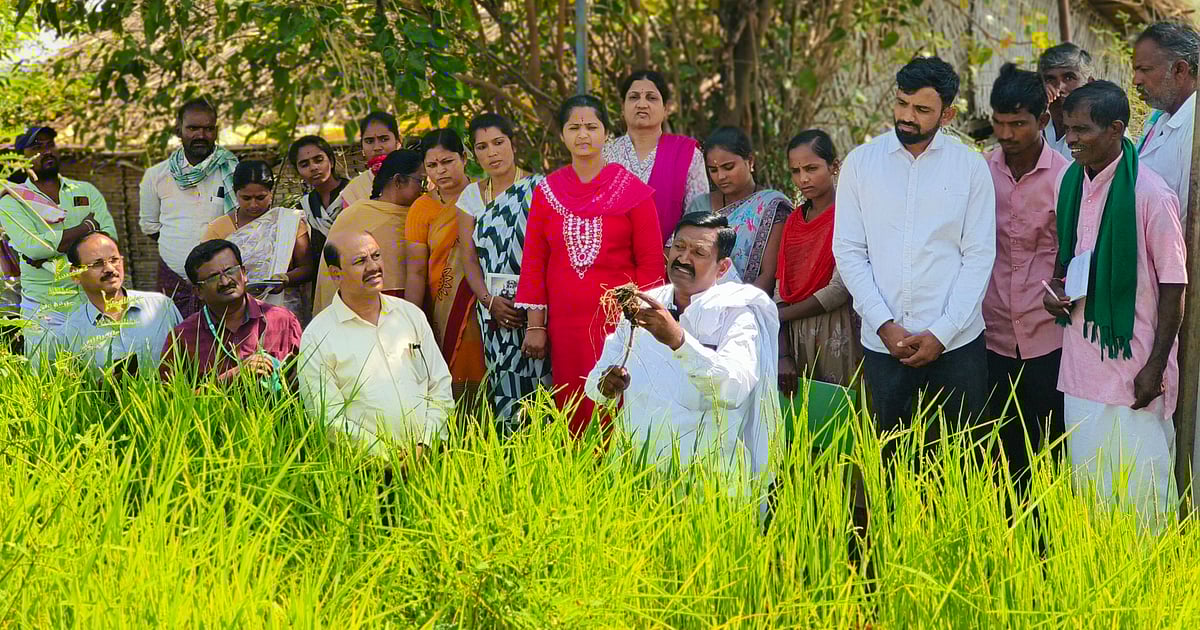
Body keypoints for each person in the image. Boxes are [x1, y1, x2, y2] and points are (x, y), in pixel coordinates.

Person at [1043, 81, 1186, 524]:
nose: (1070, 139)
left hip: (1133, 370)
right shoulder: (1069, 182)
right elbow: (1066, 260)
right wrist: (1055, 291)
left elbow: (1174, 287)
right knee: (1089, 493)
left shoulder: (1150, 194)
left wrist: (1155, 368)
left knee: (1141, 499)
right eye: (1068, 128)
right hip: (1080, 367)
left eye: (1082, 130)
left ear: (1116, 129)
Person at [833, 56, 996, 443]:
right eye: (902, 103)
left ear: (947, 114)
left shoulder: (970, 168)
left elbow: (979, 256)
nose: (907, 116)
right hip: (884, 343)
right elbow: (850, 250)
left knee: (964, 458)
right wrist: (883, 324)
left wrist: (942, 332)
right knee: (892, 461)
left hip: (957, 345)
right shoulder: (860, 164)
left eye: (922, 109)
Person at [585, 212, 778, 492]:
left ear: (722, 268)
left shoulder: (737, 314)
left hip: (706, 477)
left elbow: (734, 389)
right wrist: (606, 384)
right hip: (637, 468)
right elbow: (594, 385)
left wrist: (679, 341)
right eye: (679, 247)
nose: (683, 258)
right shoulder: (645, 304)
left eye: (699, 252)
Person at [514, 94, 665, 436]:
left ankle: (623, 466)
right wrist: (535, 326)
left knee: (620, 403)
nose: (583, 134)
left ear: (606, 133)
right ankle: (578, 467)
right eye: (574, 127)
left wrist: (641, 324)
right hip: (565, 324)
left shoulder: (632, 191)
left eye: (591, 127)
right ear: (562, 135)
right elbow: (535, 261)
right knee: (572, 403)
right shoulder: (547, 192)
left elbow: (651, 263)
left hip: (619, 324)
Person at [984, 64, 1071, 488]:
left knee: (1053, 448)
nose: (1006, 134)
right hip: (991, 333)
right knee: (1001, 454)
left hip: (1048, 335)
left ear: (1042, 120)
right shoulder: (980, 172)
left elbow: (1075, 248)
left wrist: (1061, 285)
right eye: (999, 123)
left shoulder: (1066, 177)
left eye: (1018, 124)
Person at [300, 230, 453, 455]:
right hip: (362, 468)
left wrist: (426, 444)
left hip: (429, 459)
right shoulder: (318, 336)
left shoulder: (410, 315)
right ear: (336, 274)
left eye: (376, 256)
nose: (373, 267)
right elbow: (326, 416)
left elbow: (440, 384)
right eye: (360, 261)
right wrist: (387, 456)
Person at [456, 113, 551, 433]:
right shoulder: (470, 197)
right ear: (473, 154)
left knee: (546, 389)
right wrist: (488, 300)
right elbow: (469, 259)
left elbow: (549, 253)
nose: (492, 153)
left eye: (498, 142)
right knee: (506, 391)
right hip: (496, 315)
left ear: (513, 143)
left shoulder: (540, 188)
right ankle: (511, 452)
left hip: (540, 309)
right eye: (482, 147)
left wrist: (537, 317)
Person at [0, 125, 117, 357]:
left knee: (100, 370)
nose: (47, 151)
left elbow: (108, 241)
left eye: (50, 144)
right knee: (46, 373)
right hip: (45, 308)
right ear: (21, 157)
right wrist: (87, 228)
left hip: (92, 300)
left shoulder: (85, 191)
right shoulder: (12, 202)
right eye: (37, 147)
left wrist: (50, 253)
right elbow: (35, 248)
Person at [404, 129, 487, 400]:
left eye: (447, 161)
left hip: (486, 301)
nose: (440, 171)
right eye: (432, 165)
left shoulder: (485, 195)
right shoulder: (421, 208)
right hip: (443, 306)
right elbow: (416, 271)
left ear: (464, 158)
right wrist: (411, 320)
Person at [775, 130, 860, 391]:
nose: (803, 178)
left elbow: (839, 289)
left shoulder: (849, 214)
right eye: (796, 171)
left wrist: (778, 316)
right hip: (794, 335)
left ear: (834, 166)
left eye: (811, 168)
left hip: (837, 329)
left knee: (840, 407)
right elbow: (781, 286)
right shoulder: (793, 222)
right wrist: (783, 352)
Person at [139, 98, 239, 319]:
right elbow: (150, 227)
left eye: (208, 129)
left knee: (226, 336)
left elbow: (242, 222)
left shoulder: (232, 171)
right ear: (179, 130)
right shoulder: (156, 176)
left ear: (216, 131)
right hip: (173, 280)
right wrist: (180, 248)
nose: (201, 135)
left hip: (222, 280)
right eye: (193, 128)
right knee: (173, 336)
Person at [159, 239, 302, 385]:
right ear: (198, 291)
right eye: (213, 278)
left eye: (230, 271)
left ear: (243, 273)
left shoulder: (283, 321)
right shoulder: (183, 337)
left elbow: (307, 380)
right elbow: (168, 396)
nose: (225, 281)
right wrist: (232, 377)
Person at [312, 150, 425, 315]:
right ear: (399, 181)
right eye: (421, 181)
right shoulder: (354, 216)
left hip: (414, 308)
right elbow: (330, 275)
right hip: (362, 309)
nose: (424, 189)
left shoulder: (422, 214)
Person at [202, 160, 314, 324]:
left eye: (261, 197)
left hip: (283, 311)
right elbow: (206, 273)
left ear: (271, 192)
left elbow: (307, 267)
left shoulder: (288, 222)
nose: (253, 204)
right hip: (235, 314)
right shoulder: (218, 228)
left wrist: (286, 279)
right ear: (235, 193)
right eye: (246, 198)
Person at [602, 69, 708, 244]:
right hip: (612, 254)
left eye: (651, 98)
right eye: (634, 97)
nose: (642, 104)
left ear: (665, 108)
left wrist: (669, 250)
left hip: (669, 255)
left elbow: (698, 216)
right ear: (622, 106)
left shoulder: (687, 154)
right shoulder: (604, 154)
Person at [56, 231, 181, 375]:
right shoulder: (68, 335)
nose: (110, 269)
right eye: (97, 264)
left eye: (114, 260)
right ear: (75, 274)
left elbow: (190, 362)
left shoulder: (161, 307)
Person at [686, 126, 791, 293]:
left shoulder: (772, 206)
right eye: (713, 170)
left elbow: (769, 275)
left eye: (728, 167)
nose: (721, 176)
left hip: (753, 302)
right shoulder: (700, 205)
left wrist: (739, 305)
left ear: (750, 161)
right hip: (699, 300)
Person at [1134, 21, 1199, 217]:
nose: (1136, 80)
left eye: (1145, 69)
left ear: (1180, 70)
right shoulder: (1159, 117)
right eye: (1135, 70)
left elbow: (1190, 217)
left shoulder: (1195, 128)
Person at [289, 135, 349, 257]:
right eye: (304, 165)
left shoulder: (354, 193)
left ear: (331, 161)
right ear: (298, 172)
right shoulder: (304, 208)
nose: (313, 167)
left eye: (319, 160)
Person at [1039, 43, 1095, 160]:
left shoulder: (1104, 128)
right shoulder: (1035, 122)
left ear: (1090, 83)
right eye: (1050, 79)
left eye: (1069, 78)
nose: (1060, 88)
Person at [338, 111, 400, 210]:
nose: (377, 147)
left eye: (384, 139)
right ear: (362, 146)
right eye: (369, 141)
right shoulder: (354, 191)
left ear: (398, 142)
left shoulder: (415, 178)